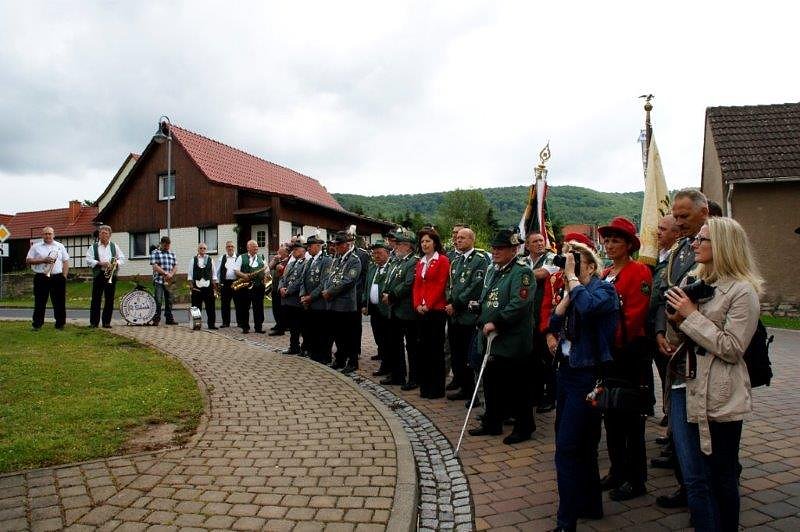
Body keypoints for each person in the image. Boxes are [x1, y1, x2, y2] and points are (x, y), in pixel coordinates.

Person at [665, 216, 761, 531]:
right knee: (695, 478)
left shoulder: (741, 291)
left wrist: (691, 315)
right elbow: (680, 337)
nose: (694, 243)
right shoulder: (700, 282)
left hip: (718, 394)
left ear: (722, 245)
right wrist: (676, 318)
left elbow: (733, 347)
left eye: (702, 239)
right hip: (684, 386)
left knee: (720, 476)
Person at [547, 240, 619, 532]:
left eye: (575, 262)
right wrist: (565, 296)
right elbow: (553, 324)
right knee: (584, 444)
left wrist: (574, 280)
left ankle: (566, 523)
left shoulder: (603, 290)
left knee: (567, 449)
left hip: (586, 375)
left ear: (590, 265)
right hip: (566, 373)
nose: (568, 268)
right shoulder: (572, 291)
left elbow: (588, 309)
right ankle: (591, 504)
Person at [654, 188, 710, 510]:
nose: (678, 222)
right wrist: (661, 329)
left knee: (705, 433)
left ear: (703, 212)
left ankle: (707, 497)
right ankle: (687, 487)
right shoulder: (678, 251)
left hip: (705, 351)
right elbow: (666, 292)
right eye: (675, 216)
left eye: (683, 217)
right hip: (676, 351)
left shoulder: (718, 244)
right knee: (680, 428)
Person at [597, 217, 654, 501]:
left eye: (616, 240)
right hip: (608, 354)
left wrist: (608, 341)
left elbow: (633, 316)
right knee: (611, 414)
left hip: (627, 352)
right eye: (607, 240)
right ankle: (617, 470)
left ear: (629, 244)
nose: (609, 245)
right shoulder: (606, 273)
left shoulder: (638, 271)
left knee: (630, 417)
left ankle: (635, 478)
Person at [468, 229, 536, 445]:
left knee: (517, 387)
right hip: (490, 340)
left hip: (511, 340)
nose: (495, 251)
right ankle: (492, 422)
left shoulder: (521, 272)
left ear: (514, 250)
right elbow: (490, 297)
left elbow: (519, 304)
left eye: (500, 248)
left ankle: (524, 427)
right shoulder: (494, 270)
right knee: (492, 384)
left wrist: (496, 322)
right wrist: (479, 308)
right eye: (494, 248)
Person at [445, 227, 489, 401]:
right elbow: (450, 285)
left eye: (463, 238)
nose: (458, 240)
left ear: (472, 240)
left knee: (468, 355)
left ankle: (474, 393)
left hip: (468, 316)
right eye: (457, 238)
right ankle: (464, 387)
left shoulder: (479, 260)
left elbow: (476, 286)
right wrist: (449, 302)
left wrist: (456, 304)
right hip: (454, 315)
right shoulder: (455, 261)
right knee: (457, 354)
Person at [412, 227, 451, 399]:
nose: (425, 244)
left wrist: (428, 304)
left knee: (435, 349)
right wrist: (417, 304)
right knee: (423, 349)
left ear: (435, 242)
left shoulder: (442, 260)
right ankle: (425, 386)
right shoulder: (420, 261)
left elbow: (440, 285)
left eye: (428, 241)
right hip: (421, 311)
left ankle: (436, 388)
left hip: (435, 311)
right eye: (422, 242)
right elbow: (417, 286)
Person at [524, 232, 559, 412]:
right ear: (527, 245)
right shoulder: (523, 261)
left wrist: (520, 276)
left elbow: (542, 273)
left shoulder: (551, 258)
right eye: (534, 241)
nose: (539, 244)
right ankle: (535, 394)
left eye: (541, 240)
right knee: (532, 359)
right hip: (526, 319)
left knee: (547, 359)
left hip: (543, 316)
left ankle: (551, 396)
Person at [381, 230, 420, 389]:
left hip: (407, 311)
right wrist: (386, 292)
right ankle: (397, 375)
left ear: (407, 246)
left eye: (398, 244)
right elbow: (389, 280)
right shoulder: (397, 261)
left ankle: (414, 378)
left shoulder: (414, 261)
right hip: (395, 310)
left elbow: (408, 284)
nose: (394, 247)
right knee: (394, 344)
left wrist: (391, 295)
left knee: (412, 346)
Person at [322, 231, 362, 372]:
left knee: (348, 335)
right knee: (338, 335)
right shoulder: (337, 259)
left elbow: (348, 281)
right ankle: (340, 360)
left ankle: (352, 362)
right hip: (334, 303)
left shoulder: (354, 260)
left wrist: (330, 291)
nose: (336, 247)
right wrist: (326, 289)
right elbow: (329, 277)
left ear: (346, 244)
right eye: (335, 244)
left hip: (346, 305)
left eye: (338, 244)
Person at [26, 226, 70, 331]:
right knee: (40, 302)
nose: (48, 236)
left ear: (53, 235)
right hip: (41, 277)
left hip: (57, 277)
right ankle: (37, 325)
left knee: (59, 302)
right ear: (42, 235)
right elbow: (28, 260)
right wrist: (42, 260)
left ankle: (60, 324)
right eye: (46, 234)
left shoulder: (60, 246)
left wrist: (64, 275)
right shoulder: (36, 247)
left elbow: (66, 261)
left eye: (50, 233)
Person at [362, 240, 393, 375]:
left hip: (386, 309)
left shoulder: (391, 268)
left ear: (387, 253)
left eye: (379, 253)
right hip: (374, 309)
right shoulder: (373, 267)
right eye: (374, 253)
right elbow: (367, 287)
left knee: (387, 339)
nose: (376, 256)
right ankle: (384, 359)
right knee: (378, 337)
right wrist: (364, 303)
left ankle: (387, 366)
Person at [85, 224, 125, 328]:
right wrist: (100, 263)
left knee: (109, 299)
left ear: (110, 235)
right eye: (101, 233)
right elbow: (89, 260)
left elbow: (122, 258)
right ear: (99, 235)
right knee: (96, 299)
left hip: (111, 274)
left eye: (106, 233)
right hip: (99, 274)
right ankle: (94, 323)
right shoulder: (93, 247)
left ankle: (106, 322)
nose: (103, 235)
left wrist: (114, 264)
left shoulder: (114, 246)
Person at [300, 235, 332, 362]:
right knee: (311, 330)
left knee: (322, 331)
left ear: (318, 246)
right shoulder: (310, 260)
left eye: (310, 246)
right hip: (309, 302)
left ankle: (324, 356)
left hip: (319, 303)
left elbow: (324, 282)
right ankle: (314, 354)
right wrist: (303, 295)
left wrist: (310, 297)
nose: (307, 248)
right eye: (307, 246)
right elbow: (303, 280)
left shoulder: (326, 260)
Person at [279, 239, 308, 354]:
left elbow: (300, 280)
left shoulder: (306, 263)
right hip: (287, 300)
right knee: (292, 326)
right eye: (293, 250)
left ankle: (304, 347)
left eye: (296, 249)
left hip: (296, 299)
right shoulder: (291, 264)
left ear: (303, 250)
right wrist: (281, 288)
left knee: (300, 325)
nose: (294, 251)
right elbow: (283, 278)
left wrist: (288, 291)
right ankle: (293, 346)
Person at [234, 239, 267, 334]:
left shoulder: (261, 257)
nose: (256, 247)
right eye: (254, 246)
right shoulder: (241, 257)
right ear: (248, 248)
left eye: (257, 246)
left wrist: (265, 277)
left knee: (259, 307)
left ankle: (258, 327)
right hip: (245, 286)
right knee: (244, 307)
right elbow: (236, 270)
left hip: (258, 286)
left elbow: (265, 269)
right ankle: (245, 327)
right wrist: (244, 276)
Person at [187, 242, 218, 330]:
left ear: (206, 250)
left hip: (208, 287)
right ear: (198, 249)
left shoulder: (210, 260)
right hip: (196, 287)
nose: (202, 250)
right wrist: (191, 285)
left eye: (204, 248)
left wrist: (215, 287)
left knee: (211, 307)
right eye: (201, 248)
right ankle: (197, 325)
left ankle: (211, 325)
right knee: (196, 308)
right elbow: (190, 274)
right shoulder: (193, 260)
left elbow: (214, 274)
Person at [150, 236, 178, 326]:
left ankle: (169, 319)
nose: (167, 247)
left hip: (169, 281)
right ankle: (156, 319)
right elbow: (155, 266)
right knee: (158, 300)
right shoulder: (155, 252)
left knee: (169, 300)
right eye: (165, 245)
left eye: (168, 245)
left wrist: (171, 274)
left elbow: (175, 266)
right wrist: (165, 273)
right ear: (161, 244)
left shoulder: (172, 253)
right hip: (159, 280)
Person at [268, 244, 290, 335]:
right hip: (275, 287)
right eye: (278, 252)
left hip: (282, 288)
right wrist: (274, 260)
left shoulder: (288, 261)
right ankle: (278, 324)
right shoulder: (277, 261)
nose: (278, 253)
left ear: (285, 253)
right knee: (275, 308)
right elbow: (268, 268)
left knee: (281, 309)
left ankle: (282, 327)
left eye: (280, 252)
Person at [217, 241, 238, 328]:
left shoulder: (238, 258)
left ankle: (240, 322)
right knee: (225, 304)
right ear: (226, 248)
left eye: (231, 246)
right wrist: (218, 282)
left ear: (234, 248)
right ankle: (225, 322)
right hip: (225, 284)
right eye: (228, 246)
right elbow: (217, 271)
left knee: (239, 303)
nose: (230, 248)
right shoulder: (221, 258)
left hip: (236, 283)